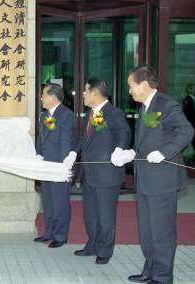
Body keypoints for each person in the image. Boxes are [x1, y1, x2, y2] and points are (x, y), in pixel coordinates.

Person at [121, 66, 193, 284]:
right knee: (147, 231)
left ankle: (162, 277)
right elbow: (150, 137)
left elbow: (186, 131)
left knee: (161, 232)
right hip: (145, 181)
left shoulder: (165, 104)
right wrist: (132, 152)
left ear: (143, 84)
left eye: (131, 86)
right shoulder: (146, 106)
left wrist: (164, 152)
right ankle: (150, 270)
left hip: (162, 181)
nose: (130, 90)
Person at [70, 78, 131, 265]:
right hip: (90, 174)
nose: (83, 94)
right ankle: (93, 245)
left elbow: (124, 133)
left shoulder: (113, 112)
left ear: (95, 93)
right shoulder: (93, 113)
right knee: (90, 215)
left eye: (85, 90)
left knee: (105, 216)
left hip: (107, 176)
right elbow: (84, 138)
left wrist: (120, 149)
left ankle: (105, 250)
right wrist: (73, 153)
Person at [33, 83, 75, 248]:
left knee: (60, 202)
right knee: (48, 201)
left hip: (59, 165)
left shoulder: (66, 115)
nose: (41, 98)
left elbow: (66, 140)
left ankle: (60, 235)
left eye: (44, 94)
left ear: (53, 97)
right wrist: (38, 154)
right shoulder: (44, 116)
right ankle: (49, 231)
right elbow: (41, 138)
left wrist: (63, 165)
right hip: (46, 165)